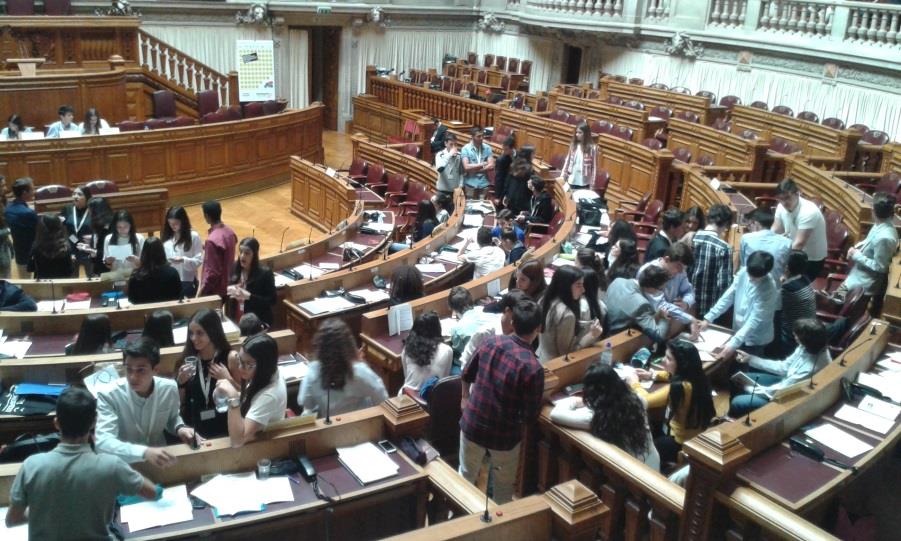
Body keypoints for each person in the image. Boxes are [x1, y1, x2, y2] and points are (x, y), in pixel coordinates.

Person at [6, 387, 159, 540]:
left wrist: (44, 512)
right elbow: (152, 492)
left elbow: (12, 520)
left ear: (57, 423)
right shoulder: (111, 465)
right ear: (94, 423)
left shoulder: (31, 466)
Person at [459, 298, 545, 503]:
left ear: (512, 322)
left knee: (464, 480)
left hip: (473, 423)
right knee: (503, 491)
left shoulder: (492, 342)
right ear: (539, 328)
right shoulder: (533, 367)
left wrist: (465, 398)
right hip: (504, 436)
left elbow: (466, 373)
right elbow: (530, 415)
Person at [95, 338, 197, 466]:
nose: (133, 377)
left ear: (156, 370)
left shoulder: (169, 388)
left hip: (161, 462)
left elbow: (172, 418)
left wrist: (180, 428)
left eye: (141, 370)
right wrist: (144, 452)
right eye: (129, 369)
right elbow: (103, 442)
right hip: (124, 465)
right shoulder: (109, 395)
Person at [550, 363, 660, 470]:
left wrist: (575, 400)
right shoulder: (639, 401)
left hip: (633, 470)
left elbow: (555, 414)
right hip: (651, 461)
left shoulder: (596, 418)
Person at [635, 339, 716, 465]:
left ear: (681, 363)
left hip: (678, 441)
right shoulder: (697, 376)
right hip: (695, 432)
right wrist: (652, 375)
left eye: (668, 358)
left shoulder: (681, 387)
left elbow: (645, 401)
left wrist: (633, 383)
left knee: (643, 450)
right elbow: (670, 375)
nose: (663, 360)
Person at [729, 319, 831, 416]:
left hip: (787, 399)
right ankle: (733, 415)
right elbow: (783, 367)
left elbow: (779, 392)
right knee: (738, 379)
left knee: (737, 402)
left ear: (806, 340)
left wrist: (749, 388)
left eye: (797, 336)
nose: (794, 337)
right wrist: (751, 359)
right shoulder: (806, 347)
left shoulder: (811, 368)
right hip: (785, 382)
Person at [299, 319, 388, 417]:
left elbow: (306, 403)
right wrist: (363, 364)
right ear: (349, 346)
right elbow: (382, 399)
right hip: (360, 427)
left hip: (329, 429)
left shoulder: (312, 373)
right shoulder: (359, 372)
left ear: (320, 349)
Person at [697, 251, 778, 359]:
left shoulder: (769, 288)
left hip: (756, 338)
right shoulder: (744, 272)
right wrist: (709, 318)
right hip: (738, 330)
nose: (750, 278)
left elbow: (755, 320)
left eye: (755, 277)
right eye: (750, 274)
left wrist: (732, 344)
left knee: (748, 367)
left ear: (765, 273)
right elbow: (728, 297)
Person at [214, 333, 287, 447]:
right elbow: (250, 396)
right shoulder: (268, 373)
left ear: (264, 365)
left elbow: (237, 441)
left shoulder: (269, 396)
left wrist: (233, 396)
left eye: (249, 364)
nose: (240, 368)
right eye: (240, 360)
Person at [176, 308, 239, 438]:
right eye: (191, 333)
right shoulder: (187, 360)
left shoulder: (230, 358)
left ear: (212, 332)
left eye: (200, 333)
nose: (194, 338)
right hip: (194, 431)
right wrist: (180, 383)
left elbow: (244, 397)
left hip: (224, 428)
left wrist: (228, 379)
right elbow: (179, 404)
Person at [829, 191, 899, 305]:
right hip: (857, 274)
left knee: (834, 303)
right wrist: (854, 249)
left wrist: (856, 255)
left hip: (864, 282)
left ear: (874, 211)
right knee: (835, 297)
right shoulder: (880, 224)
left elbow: (880, 267)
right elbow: (868, 242)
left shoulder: (885, 237)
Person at [537, 266, 603, 363]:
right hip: (555, 366)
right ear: (565, 286)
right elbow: (566, 354)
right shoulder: (567, 315)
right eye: (578, 285)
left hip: (540, 356)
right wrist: (591, 335)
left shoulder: (543, 300)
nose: (583, 290)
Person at [772, 179, 827, 282]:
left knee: (787, 287)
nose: (784, 202)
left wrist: (785, 272)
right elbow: (775, 230)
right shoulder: (781, 206)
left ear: (798, 193)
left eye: (787, 198)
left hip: (810, 260)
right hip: (793, 253)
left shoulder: (809, 211)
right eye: (780, 199)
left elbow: (799, 244)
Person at [605, 265, 672, 343]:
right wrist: (664, 318)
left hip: (604, 328)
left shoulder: (618, 281)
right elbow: (658, 336)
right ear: (651, 287)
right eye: (660, 289)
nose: (661, 292)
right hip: (617, 341)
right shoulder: (642, 304)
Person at [690, 203, 734, 318]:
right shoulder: (724, 248)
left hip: (685, 302)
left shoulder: (691, 237)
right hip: (707, 307)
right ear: (725, 224)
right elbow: (724, 284)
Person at [637, 242, 696, 326]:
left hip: (671, 322)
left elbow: (689, 290)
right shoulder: (648, 271)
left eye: (683, 268)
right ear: (667, 259)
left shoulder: (680, 273)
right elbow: (660, 305)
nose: (681, 271)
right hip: (650, 323)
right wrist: (689, 318)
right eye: (678, 266)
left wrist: (686, 303)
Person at [448, 286, 502, 370]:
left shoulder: (456, 329)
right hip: (499, 356)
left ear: (453, 309)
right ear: (471, 300)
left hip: (478, 366)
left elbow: (461, 351)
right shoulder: (486, 309)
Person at [400, 310, 453, 394]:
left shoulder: (407, 348)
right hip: (431, 398)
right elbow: (444, 379)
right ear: (437, 328)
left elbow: (406, 376)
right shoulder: (447, 350)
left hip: (407, 395)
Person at [227, 237, 277, 326]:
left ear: (254, 255)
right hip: (237, 319)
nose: (242, 256)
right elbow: (229, 291)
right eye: (241, 251)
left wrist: (249, 296)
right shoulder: (235, 267)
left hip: (257, 322)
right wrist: (229, 289)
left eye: (247, 253)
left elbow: (272, 300)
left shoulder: (265, 273)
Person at [778, 250, 816, 355]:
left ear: (786, 268)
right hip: (808, 329)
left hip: (792, 337)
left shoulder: (788, 289)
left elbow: (771, 308)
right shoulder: (804, 278)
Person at [739, 207, 791, 283]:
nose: (749, 229)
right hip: (775, 289)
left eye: (749, 226)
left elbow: (744, 264)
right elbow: (784, 267)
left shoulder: (746, 238)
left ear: (755, 223)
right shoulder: (787, 242)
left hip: (750, 286)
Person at [162, 206, 204, 298]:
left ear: (183, 221)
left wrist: (183, 260)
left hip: (187, 281)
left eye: (176, 223)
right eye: (170, 223)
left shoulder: (193, 236)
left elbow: (198, 260)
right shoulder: (167, 238)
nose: (172, 226)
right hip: (170, 280)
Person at [199, 200, 237, 299]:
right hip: (228, 285)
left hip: (215, 291)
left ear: (206, 216)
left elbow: (213, 273)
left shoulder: (212, 241)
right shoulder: (230, 232)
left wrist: (201, 292)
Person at [127, 237, 182, 304]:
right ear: (162, 252)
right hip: (168, 312)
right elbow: (179, 296)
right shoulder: (172, 273)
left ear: (144, 252)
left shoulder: (136, 275)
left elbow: (131, 299)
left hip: (142, 313)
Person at [6, 177, 38, 276]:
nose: (34, 191)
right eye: (32, 189)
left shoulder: (8, 208)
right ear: (24, 192)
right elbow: (39, 230)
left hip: (19, 251)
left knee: (24, 280)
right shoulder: (28, 213)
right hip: (32, 252)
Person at [28, 213, 75, 279]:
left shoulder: (36, 246)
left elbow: (30, 268)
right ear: (59, 226)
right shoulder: (65, 246)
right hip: (61, 283)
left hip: (43, 282)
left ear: (41, 227)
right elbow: (70, 271)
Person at [60, 186, 93, 277]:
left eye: (79, 194)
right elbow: (65, 230)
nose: (75, 196)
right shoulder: (67, 209)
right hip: (72, 248)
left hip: (89, 248)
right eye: (74, 194)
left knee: (93, 277)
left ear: (87, 197)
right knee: (72, 278)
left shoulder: (92, 209)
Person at [103, 209, 144, 277]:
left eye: (125, 227)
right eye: (119, 227)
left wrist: (136, 260)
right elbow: (107, 265)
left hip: (134, 277)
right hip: (116, 277)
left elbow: (144, 264)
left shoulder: (139, 238)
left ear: (131, 225)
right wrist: (108, 262)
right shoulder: (108, 239)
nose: (122, 230)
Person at [559, 121, 598, 189]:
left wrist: (592, 183)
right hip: (572, 179)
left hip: (584, 182)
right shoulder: (573, 145)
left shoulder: (592, 148)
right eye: (576, 132)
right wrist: (562, 175)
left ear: (586, 134)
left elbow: (594, 167)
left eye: (580, 133)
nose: (577, 134)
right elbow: (567, 161)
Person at [461, 127, 495, 199]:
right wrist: (481, 164)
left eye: (482, 135)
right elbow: (466, 167)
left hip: (484, 184)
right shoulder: (465, 149)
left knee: (483, 207)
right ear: (472, 137)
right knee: (471, 207)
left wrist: (476, 170)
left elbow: (491, 165)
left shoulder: (487, 148)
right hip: (470, 184)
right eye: (478, 136)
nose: (482, 138)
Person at [83, 196, 114, 275]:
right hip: (98, 267)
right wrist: (90, 243)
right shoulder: (97, 224)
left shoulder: (111, 227)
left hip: (109, 270)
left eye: (90, 209)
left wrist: (93, 251)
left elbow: (112, 253)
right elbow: (99, 243)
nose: (88, 212)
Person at [435, 132, 463, 196]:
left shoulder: (459, 155)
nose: (453, 147)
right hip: (442, 191)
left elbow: (461, 173)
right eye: (451, 144)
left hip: (455, 191)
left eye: (455, 145)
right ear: (445, 143)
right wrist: (449, 155)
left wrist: (461, 185)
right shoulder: (440, 155)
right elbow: (440, 169)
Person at [493, 135, 516, 206]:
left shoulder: (520, 156)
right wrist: (497, 196)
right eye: (503, 149)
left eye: (506, 149)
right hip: (505, 188)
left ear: (512, 148)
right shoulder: (501, 160)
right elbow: (498, 178)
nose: (504, 152)